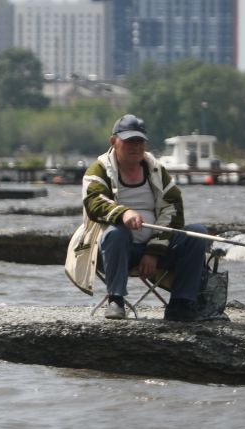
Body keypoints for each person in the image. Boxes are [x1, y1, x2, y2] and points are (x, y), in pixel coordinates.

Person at [76, 114, 209, 321]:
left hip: (156, 249)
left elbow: (173, 209)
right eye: (129, 141)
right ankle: (116, 300)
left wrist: (154, 251)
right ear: (113, 142)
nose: (135, 146)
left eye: (139, 141)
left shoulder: (156, 170)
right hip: (112, 252)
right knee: (116, 233)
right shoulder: (99, 169)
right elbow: (94, 203)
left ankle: (181, 304)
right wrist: (123, 213)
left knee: (198, 234)